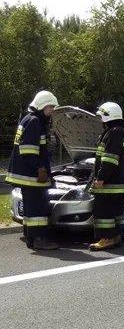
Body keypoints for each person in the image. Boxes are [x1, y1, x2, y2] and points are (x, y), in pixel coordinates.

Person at [8, 90, 59, 250]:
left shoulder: (28, 119)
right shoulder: (35, 122)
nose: (52, 111)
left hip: (27, 175)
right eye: (51, 107)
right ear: (43, 106)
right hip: (31, 176)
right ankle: (40, 239)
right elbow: (28, 150)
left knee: (30, 209)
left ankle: (31, 238)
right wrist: (41, 169)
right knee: (38, 209)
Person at [89, 102, 124, 251]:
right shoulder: (123, 132)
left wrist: (100, 178)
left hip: (110, 184)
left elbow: (109, 159)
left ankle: (107, 239)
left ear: (108, 116)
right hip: (120, 183)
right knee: (116, 212)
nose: (101, 120)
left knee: (104, 212)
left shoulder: (113, 132)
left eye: (102, 116)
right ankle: (116, 237)